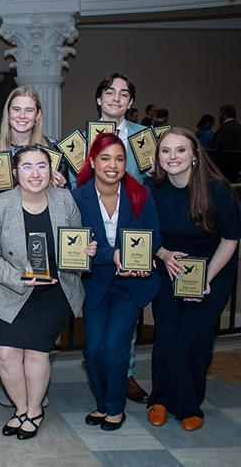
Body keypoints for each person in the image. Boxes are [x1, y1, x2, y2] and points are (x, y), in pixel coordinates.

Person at [0, 146, 85, 440]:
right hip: (14, 288)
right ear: (15, 173)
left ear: (52, 171)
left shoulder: (65, 200)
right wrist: (19, 279)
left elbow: (75, 242)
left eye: (42, 166)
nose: (35, 173)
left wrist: (83, 250)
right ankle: (22, 408)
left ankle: (34, 411)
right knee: (4, 354)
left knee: (36, 354)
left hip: (54, 289)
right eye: (27, 167)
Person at [146, 128, 241, 431]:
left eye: (180, 150)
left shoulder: (218, 191)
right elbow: (144, 234)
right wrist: (163, 254)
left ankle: (189, 405)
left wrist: (204, 279)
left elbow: (230, 240)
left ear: (195, 156)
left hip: (213, 268)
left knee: (192, 337)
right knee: (168, 334)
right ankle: (159, 399)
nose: (173, 157)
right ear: (158, 157)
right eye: (166, 151)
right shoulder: (152, 189)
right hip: (170, 267)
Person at [72, 133, 162, 432]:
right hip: (96, 283)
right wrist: (113, 255)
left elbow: (155, 236)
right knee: (94, 348)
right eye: (106, 158)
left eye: (120, 159)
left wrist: (142, 255)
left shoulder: (142, 194)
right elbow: (80, 247)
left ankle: (114, 407)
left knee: (115, 346)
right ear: (93, 161)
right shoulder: (78, 197)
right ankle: (101, 403)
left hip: (131, 285)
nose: (113, 165)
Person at [94, 73, 150, 402]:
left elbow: (154, 184)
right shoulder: (81, 140)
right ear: (99, 99)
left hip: (132, 235)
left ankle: (125, 373)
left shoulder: (146, 139)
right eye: (110, 91)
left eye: (124, 93)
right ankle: (103, 375)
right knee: (98, 312)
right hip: (96, 239)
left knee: (127, 310)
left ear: (130, 103)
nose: (116, 97)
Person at [0, 86, 69, 188]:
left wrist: (62, 186)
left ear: (37, 115)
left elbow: (64, 194)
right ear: (8, 113)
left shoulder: (52, 147)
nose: (22, 116)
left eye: (29, 110)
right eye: (17, 109)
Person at [209, 104, 241, 182]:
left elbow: (218, 147)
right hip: (237, 165)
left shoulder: (224, 129)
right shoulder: (238, 127)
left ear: (223, 113)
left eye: (220, 113)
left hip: (224, 166)